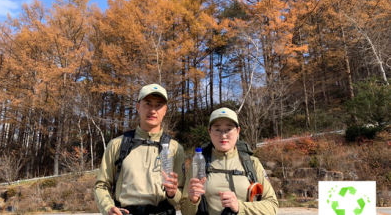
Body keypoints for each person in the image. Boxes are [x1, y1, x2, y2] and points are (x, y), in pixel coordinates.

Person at [94, 84, 185, 215]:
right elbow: (101, 185)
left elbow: (181, 195)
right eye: (147, 103)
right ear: (138, 107)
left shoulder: (175, 149)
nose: (153, 110)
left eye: (158, 105)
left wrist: (173, 193)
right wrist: (108, 207)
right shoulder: (117, 145)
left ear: (165, 110)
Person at [181, 107, 278, 215]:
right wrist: (193, 201)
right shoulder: (198, 164)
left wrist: (239, 207)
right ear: (209, 132)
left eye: (228, 129)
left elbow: (272, 205)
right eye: (217, 129)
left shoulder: (252, 163)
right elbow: (185, 211)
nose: (223, 135)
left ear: (238, 131)